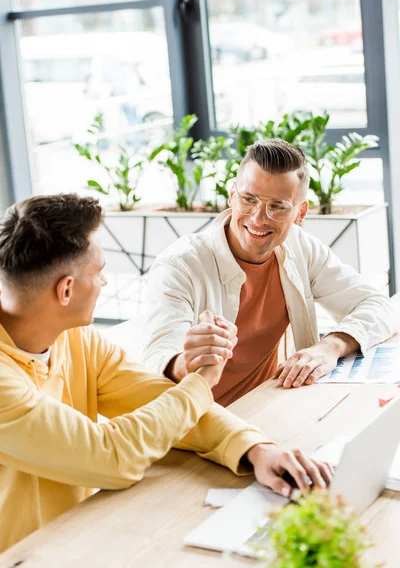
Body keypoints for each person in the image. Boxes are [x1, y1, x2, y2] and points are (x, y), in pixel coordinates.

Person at [0, 193, 331, 553]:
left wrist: (255, 449)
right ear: (66, 290)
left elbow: (163, 401)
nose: (105, 282)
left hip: (80, 537)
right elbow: (109, 455)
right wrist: (202, 379)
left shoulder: (75, 338)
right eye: (99, 272)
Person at [143, 139, 397, 406]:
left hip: (270, 405)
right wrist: (188, 361)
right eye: (248, 199)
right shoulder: (180, 264)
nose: (258, 218)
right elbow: (157, 358)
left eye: (277, 206)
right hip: (202, 424)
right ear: (232, 195)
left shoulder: (300, 246)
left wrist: (330, 346)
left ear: (300, 213)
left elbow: (378, 304)